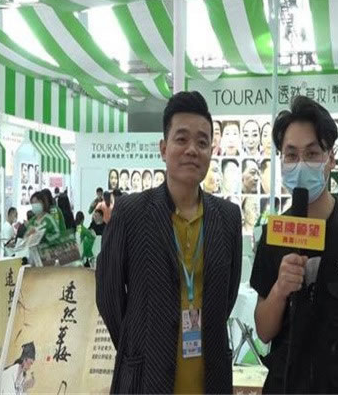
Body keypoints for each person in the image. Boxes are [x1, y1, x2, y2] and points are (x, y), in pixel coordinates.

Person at [96, 91, 242, 394]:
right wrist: (138, 344)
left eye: (202, 142)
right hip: (145, 379)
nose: (192, 150)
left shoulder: (227, 217)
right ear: (163, 148)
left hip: (210, 379)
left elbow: (226, 298)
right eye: (181, 139)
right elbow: (109, 296)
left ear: (211, 151)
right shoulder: (131, 213)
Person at [251, 96, 338, 393]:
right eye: (291, 155)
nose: (301, 164)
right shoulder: (274, 233)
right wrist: (280, 289)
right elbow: (263, 331)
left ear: (331, 159)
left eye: (312, 153)